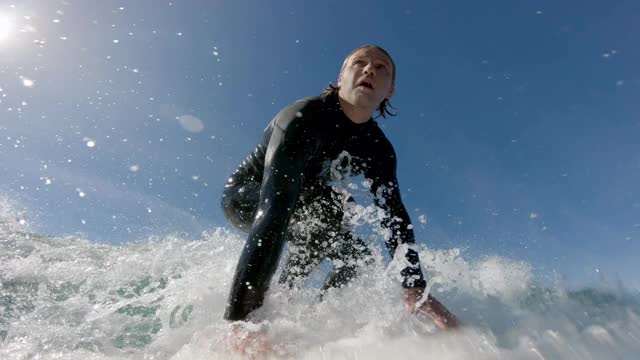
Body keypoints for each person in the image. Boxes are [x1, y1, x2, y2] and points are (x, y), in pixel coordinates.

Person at [221, 45, 459, 335]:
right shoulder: (302, 118)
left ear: (390, 91)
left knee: (357, 255)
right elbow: (275, 207)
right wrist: (241, 325)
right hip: (247, 196)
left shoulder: (378, 150)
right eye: (359, 63)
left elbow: (392, 213)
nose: (370, 69)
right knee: (325, 206)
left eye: (381, 67)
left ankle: (304, 317)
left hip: (300, 199)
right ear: (342, 77)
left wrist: (415, 287)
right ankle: (251, 321)